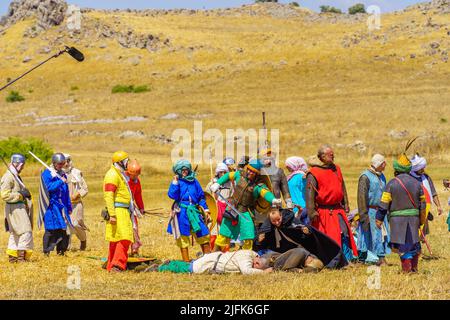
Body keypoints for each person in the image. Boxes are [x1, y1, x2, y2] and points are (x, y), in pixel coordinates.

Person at [210, 158, 280, 252]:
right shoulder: (239, 175)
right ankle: (215, 254)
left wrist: (273, 199)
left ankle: (246, 256)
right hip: (232, 208)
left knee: (248, 235)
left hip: (246, 212)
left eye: (253, 172)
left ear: (257, 173)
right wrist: (217, 183)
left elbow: (265, 192)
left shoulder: (258, 185)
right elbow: (228, 175)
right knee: (224, 233)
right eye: (249, 170)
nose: (250, 173)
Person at [376, 148, 426, 273]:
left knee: (404, 246)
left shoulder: (391, 184)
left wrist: (379, 219)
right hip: (414, 219)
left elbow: (384, 204)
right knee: (414, 243)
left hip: (397, 221)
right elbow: (423, 205)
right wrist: (422, 219)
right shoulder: (417, 184)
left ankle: (407, 271)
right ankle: (414, 269)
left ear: (396, 170)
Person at [305, 144, 357, 262]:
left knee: (344, 234)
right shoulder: (313, 173)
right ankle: (332, 260)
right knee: (329, 238)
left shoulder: (336, 168)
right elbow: (310, 195)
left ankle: (346, 259)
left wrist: (346, 203)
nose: (333, 156)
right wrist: (312, 212)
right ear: (322, 156)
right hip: (324, 212)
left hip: (338, 210)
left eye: (333, 154)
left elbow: (341, 186)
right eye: (330, 154)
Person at [257, 208, 347, 269]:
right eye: (274, 221)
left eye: (278, 219)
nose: (277, 223)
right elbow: (264, 242)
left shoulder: (290, 222)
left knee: (312, 259)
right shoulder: (269, 229)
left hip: (303, 249)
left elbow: (301, 228)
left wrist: (306, 232)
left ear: (281, 216)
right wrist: (261, 239)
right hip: (285, 253)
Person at [168, 159, 211, 262]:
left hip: (195, 211)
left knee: (202, 233)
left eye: (186, 169)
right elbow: (172, 195)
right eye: (182, 170)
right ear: (178, 171)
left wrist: (205, 209)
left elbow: (201, 197)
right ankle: (186, 263)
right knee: (183, 236)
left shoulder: (194, 181)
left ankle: (208, 260)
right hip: (182, 212)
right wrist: (175, 183)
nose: (185, 171)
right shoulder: (177, 182)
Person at [355, 154, 390, 265]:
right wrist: (363, 215)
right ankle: (363, 258)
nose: (385, 165)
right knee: (366, 234)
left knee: (380, 235)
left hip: (380, 210)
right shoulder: (365, 177)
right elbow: (361, 197)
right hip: (369, 210)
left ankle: (380, 257)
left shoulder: (381, 176)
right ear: (379, 163)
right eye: (384, 162)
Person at [103, 151, 134, 272]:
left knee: (117, 239)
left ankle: (111, 265)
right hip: (118, 211)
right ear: (120, 162)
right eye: (126, 160)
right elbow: (109, 196)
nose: (128, 163)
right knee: (125, 238)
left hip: (122, 210)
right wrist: (112, 214)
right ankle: (118, 265)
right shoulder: (112, 175)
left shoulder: (119, 174)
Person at [1, 154, 33, 262]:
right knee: (25, 231)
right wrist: (20, 195)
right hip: (14, 207)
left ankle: (13, 258)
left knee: (15, 232)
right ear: (18, 164)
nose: (23, 167)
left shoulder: (14, 175)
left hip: (18, 206)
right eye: (22, 165)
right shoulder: (8, 176)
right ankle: (21, 258)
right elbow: (4, 195)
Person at [38, 153, 72, 256]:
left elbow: (66, 192)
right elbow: (48, 187)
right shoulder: (47, 174)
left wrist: (69, 206)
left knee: (64, 229)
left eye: (63, 163)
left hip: (62, 206)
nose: (61, 165)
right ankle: (46, 252)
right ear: (54, 163)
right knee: (51, 229)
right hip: (51, 206)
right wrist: (60, 182)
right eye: (59, 163)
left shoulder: (62, 174)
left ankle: (61, 251)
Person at [139, 250, 272, 274]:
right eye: (257, 264)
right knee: (189, 269)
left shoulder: (251, 254)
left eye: (258, 267)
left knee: (190, 265)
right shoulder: (246, 258)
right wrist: (264, 273)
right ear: (257, 259)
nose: (255, 266)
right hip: (211, 263)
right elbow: (247, 271)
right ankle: (159, 268)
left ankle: (170, 262)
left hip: (214, 258)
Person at [410, 154, 443, 235]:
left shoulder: (426, 177)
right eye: (421, 168)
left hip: (424, 210)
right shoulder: (409, 178)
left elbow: (433, 192)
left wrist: (438, 206)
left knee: (422, 235)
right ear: (416, 168)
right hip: (412, 210)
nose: (423, 170)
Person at [63, 154, 89, 251]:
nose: (66, 164)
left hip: (76, 204)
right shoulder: (57, 174)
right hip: (64, 205)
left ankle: (83, 240)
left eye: (67, 161)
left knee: (76, 223)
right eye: (64, 161)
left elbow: (85, 188)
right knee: (66, 225)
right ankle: (66, 247)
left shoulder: (76, 173)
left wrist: (77, 194)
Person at [206, 163, 232, 250]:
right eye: (221, 172)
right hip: (214, 211)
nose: (223, 174)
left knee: (224, 234)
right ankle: (212, 254)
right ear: (218, 173)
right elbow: (207, 197)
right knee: (213, 234)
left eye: (225, 172)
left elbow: (232, 197)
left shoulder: (230, 184)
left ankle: (225, 255)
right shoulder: (211, 183)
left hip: (225, 212)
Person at [125, 159, 145, 256]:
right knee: (125, 229)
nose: (135, 176)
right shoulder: (123, 179)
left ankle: (134, 250)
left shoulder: (137, 181)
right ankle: (122, 252)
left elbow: (138, 195)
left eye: (137, 175)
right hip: (123, 208)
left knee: (134, 228)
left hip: (132, 209)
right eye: (134, 175)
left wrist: (141, 208)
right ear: (128, 173)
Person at [285, 156, 309, 224]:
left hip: (302, 208)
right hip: (294, 208)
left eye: (289, 165)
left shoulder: (302, 177)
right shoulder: (291, 177)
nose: (287, 167)